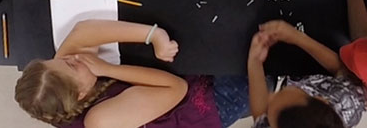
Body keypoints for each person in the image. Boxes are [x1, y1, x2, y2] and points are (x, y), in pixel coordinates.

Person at [14, 19, 221, 127]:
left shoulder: (59, 74)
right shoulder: (100, 121)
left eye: (56, 60)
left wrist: (153, 35)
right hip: (197, 108)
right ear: (80, 94)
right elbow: (176, 88)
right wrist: (108, 69)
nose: (69, 57)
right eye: (70, 66)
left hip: (171, 82)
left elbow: (83, 31)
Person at [247, 21, 367, 128]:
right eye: (283, 92)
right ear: (322, 99)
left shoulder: (281, 121)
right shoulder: (347, 98)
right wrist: (296, 37)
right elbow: (340, 68)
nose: (270, 96)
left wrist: (254, 61)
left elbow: (261, 117)